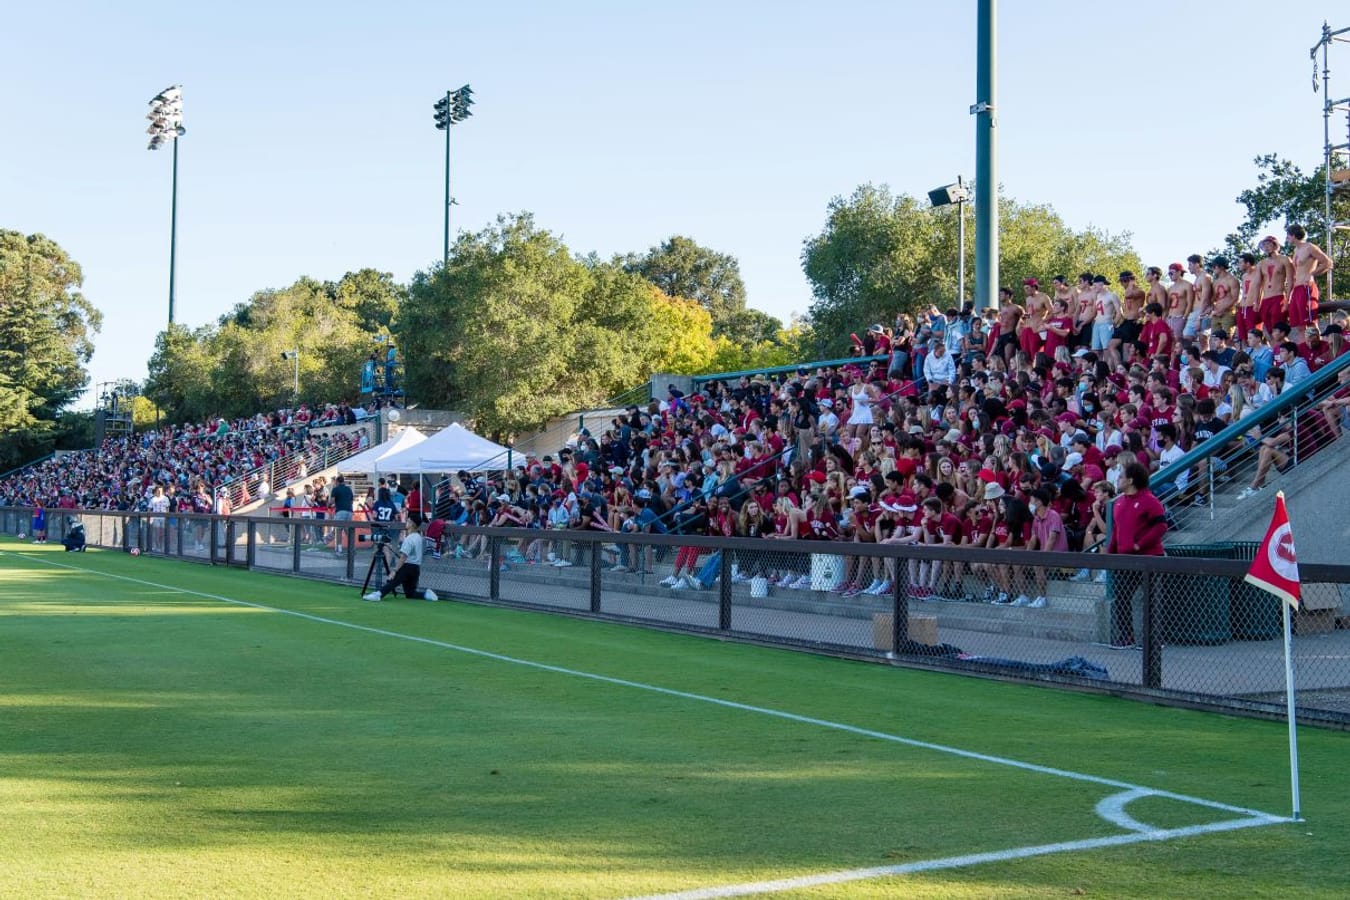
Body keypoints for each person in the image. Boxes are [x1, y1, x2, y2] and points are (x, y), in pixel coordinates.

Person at [1106, 462, 1167, 648]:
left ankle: (1155, 638)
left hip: (1149, 558)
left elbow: (1161, 526)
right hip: (1125, 559)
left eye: (1121, 477)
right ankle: (1127, 637)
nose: (1118, 479)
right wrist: (1110, 553)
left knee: (1153, 599)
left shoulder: (1150, 501)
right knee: (1122, 597)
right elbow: (1117, 530)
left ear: (1131, 480)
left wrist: (1139, 545)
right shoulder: (1118, 503)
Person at [364, 512, 438, 601]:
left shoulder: (409, 539)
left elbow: (403, 557)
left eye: (408, 521)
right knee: (410, 594)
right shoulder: (419, 537)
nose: (406, 522)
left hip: (407, 566)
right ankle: (427, 594)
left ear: (412, 524)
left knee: (393, 582)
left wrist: (394, 571)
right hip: (416, 568)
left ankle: (378, 595)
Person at [1286, 224, 1333, 342]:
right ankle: (1303, 350)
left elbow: (1327, 262)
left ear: (1294, 235)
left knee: (1310, 322)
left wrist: (1312, 274)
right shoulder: (1296, 250)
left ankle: (1319, 347)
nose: (1287, 238)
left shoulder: (1310, 247)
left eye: (1288, 235)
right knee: (1300, 325)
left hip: (1307, 287)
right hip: (1297, 288)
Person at [331, 474, 355, 554]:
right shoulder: (348, 489)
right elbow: (351, 501)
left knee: (338, 530)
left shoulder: (335, 489)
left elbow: (332, 501)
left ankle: (339, 549)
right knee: (348, 531)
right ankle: (352, 548)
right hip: (349, 511)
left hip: (340, 511)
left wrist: (329, 505)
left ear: (337, 481)